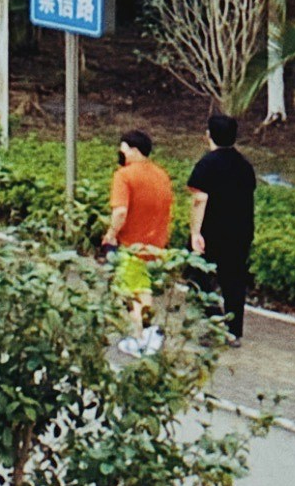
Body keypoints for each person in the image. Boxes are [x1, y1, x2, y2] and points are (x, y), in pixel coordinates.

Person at [187, 109, 258, 341]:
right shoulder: (244, 165)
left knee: (196, 274)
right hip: (240, 231)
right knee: (234, 281)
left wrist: (195, 232)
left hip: (212, 232)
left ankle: (215, 322)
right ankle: (233, 330)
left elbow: (200, 199)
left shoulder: (207, 164)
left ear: (209, 135)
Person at [104, 129, 174, 290]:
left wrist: (111, 234)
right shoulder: (162, 175)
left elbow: (120, 212)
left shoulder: (124, 175)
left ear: (134, 151)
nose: (120, 154)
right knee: (143, 289)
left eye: (123, 150)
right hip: (156, 247)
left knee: (132, 294)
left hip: (131, 247)